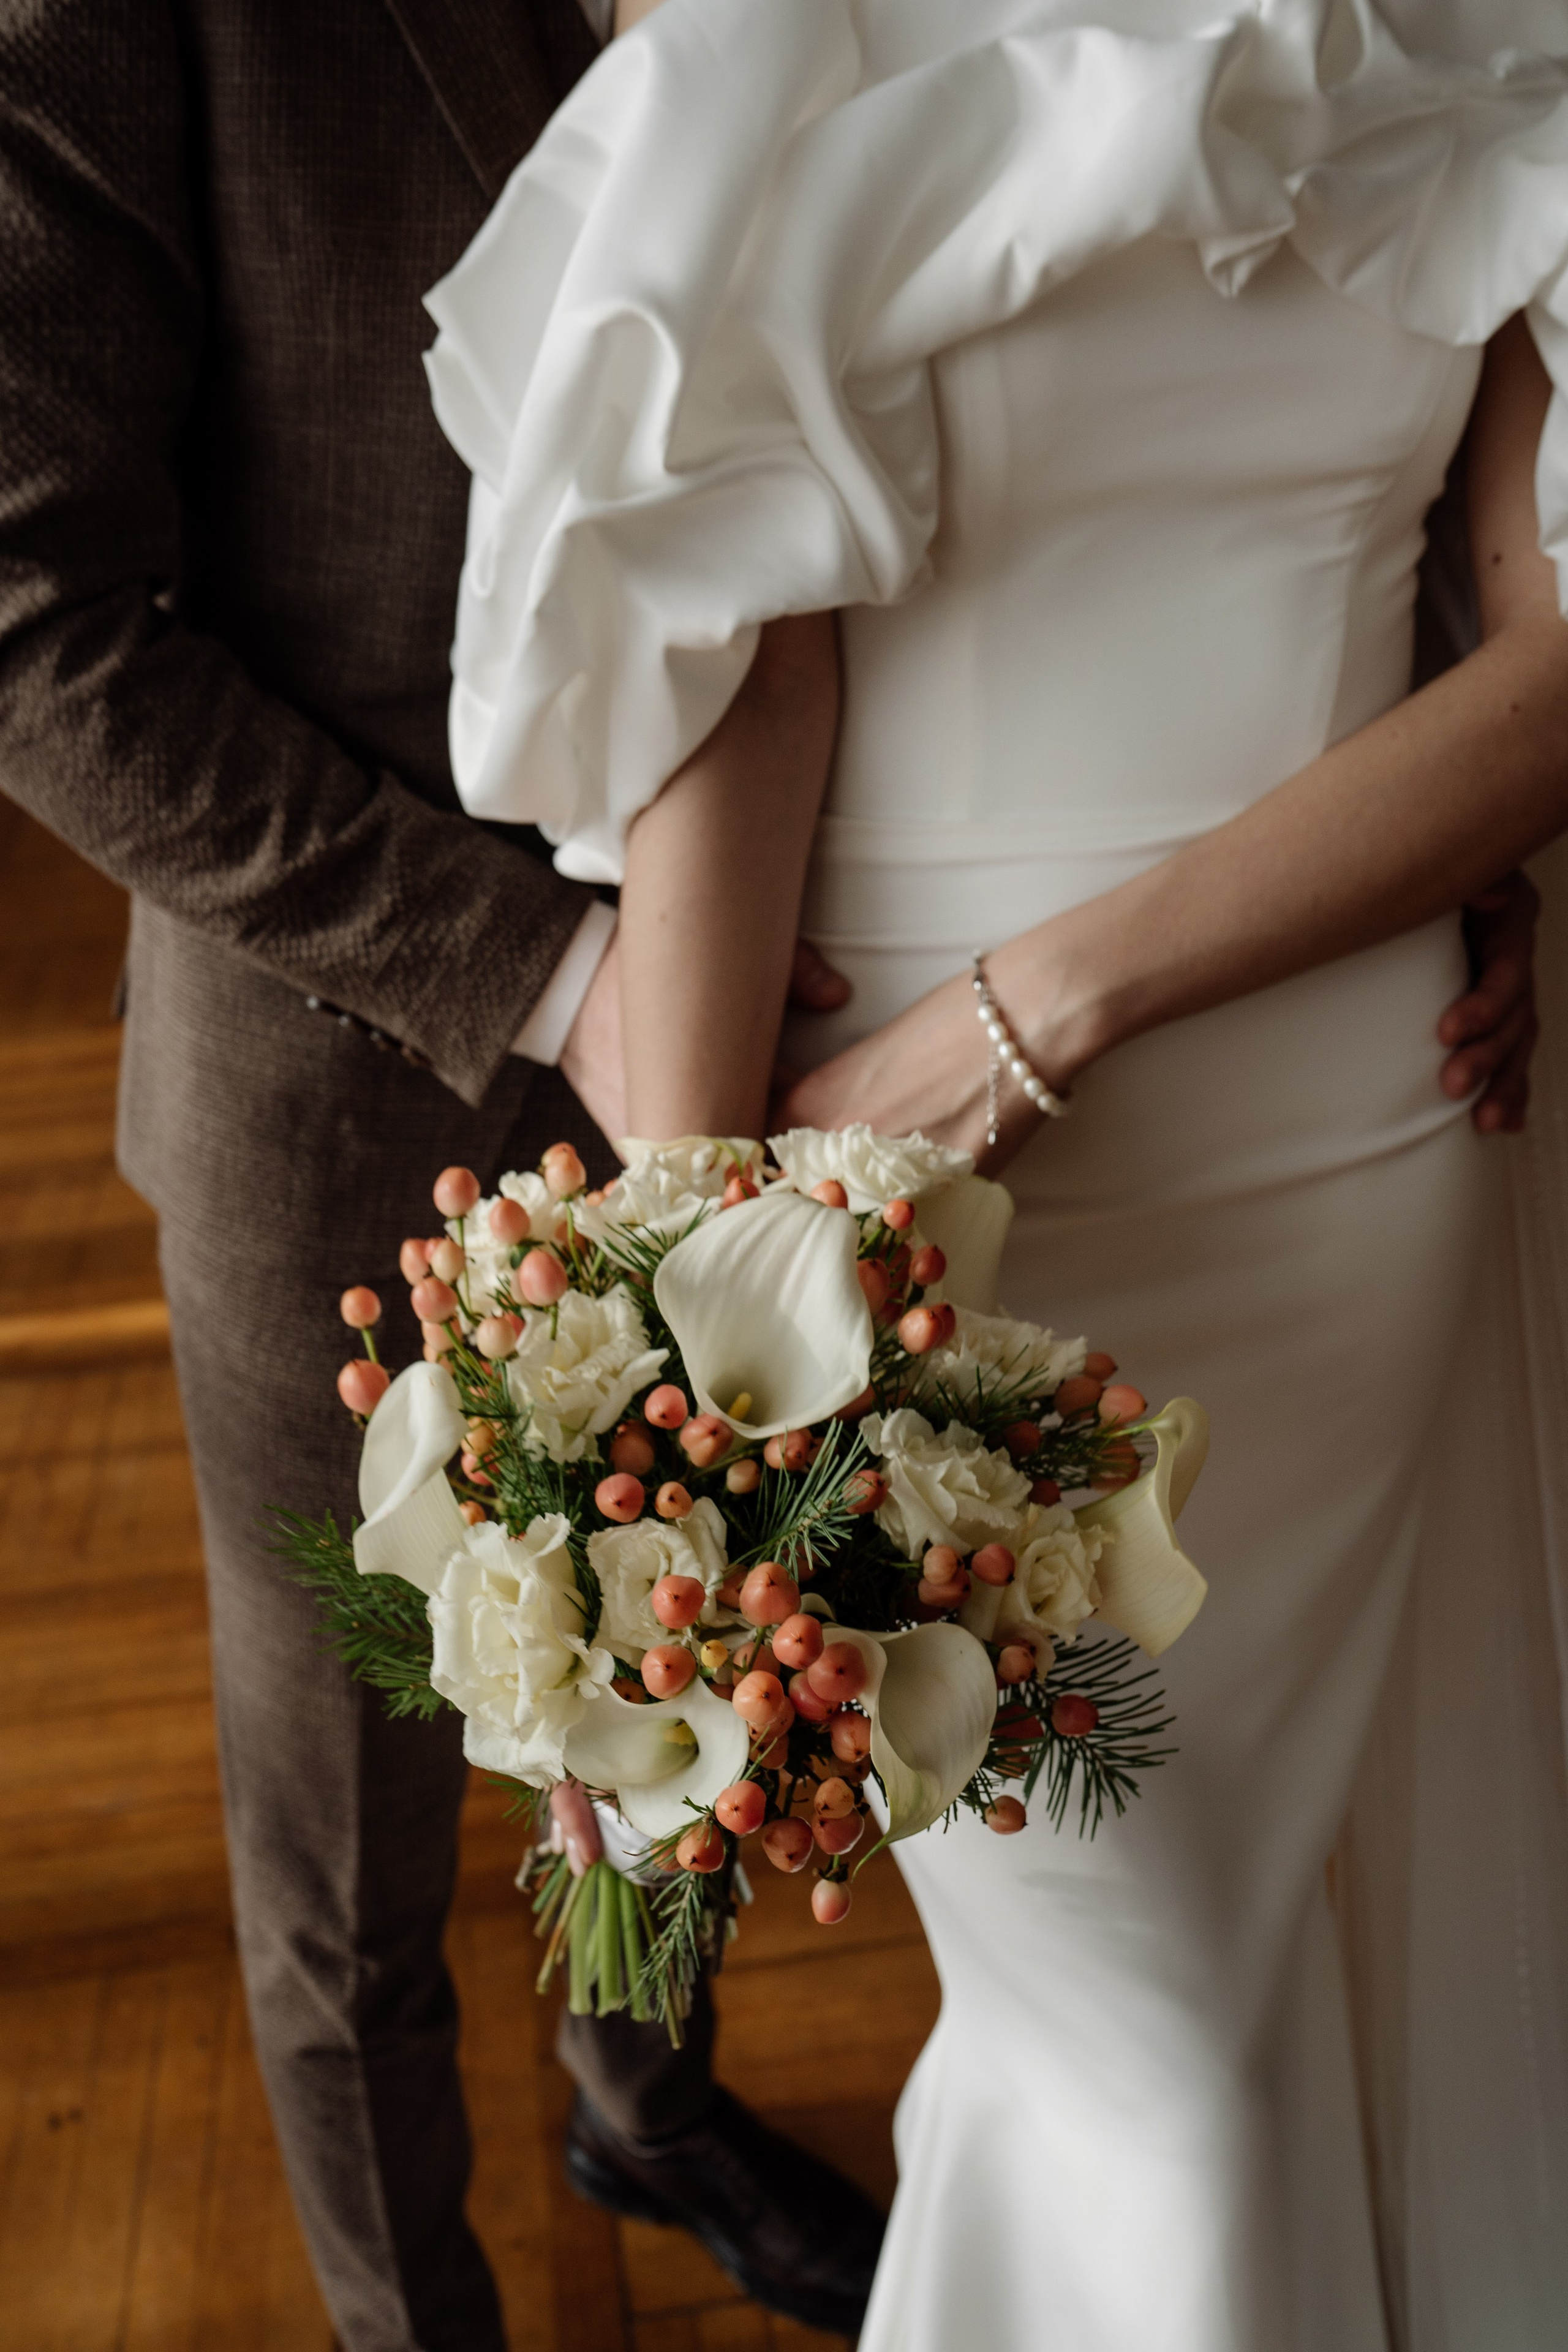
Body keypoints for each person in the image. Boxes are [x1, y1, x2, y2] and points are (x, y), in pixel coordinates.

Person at [417, 0, 1568, 2343]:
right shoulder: (790, 28)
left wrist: (1041, 1006)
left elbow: (1556, 656)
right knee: (1147, 2034)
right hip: (891, 1241)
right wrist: (672, 1333)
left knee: (1199, 2006)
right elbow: (750, 683)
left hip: (1343, 1147)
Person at [0, 4, 882, 2346]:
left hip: (772, 946)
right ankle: (415, 2313)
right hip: (331, 1070)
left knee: (679, 1658)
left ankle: (645, 2100)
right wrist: (538, 966)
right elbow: (37, 637)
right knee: (353, 1826)